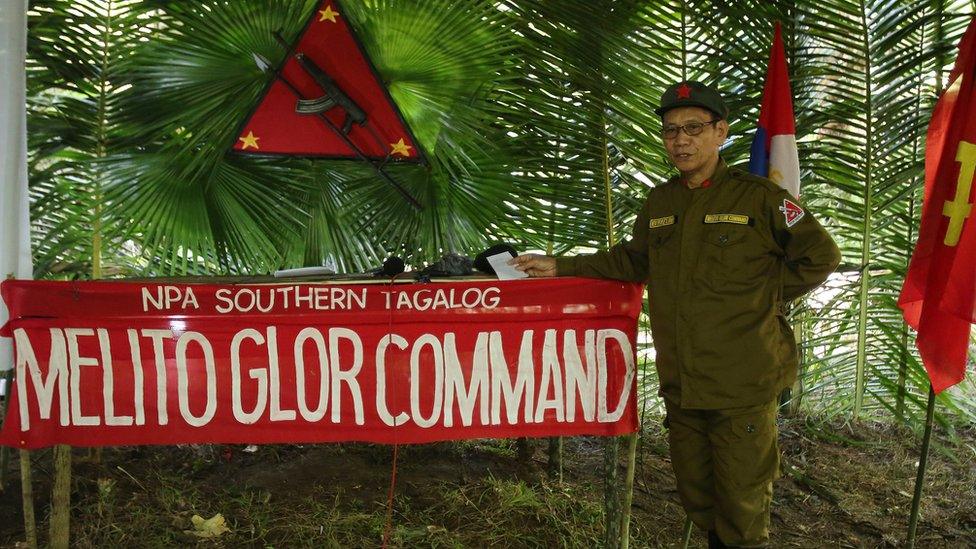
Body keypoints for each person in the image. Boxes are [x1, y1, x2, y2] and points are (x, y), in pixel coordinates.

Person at [511, 81, 840, 548]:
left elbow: (820, 256)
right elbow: (631, 260)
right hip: (683, 382)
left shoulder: (761, 198)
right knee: (697, 495)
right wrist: (561, 265)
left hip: (741, 379)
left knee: (742, 505)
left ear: (720, 132)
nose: (681, 141)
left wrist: (760, 298)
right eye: (670, 132)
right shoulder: (661, 202)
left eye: (693, 128)